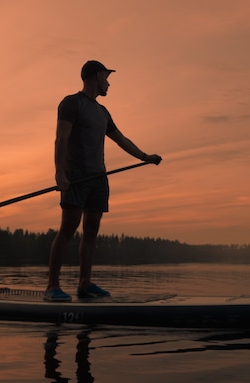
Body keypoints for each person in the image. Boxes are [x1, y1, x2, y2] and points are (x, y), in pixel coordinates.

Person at [44, 60, 162, 302]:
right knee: (68, 228)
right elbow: (61, 139)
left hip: (99, 177)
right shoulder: (71, 103)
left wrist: (144, 157)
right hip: (76, 176)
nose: (109, 83)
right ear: (97, 76)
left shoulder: (103, 112)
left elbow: (121, 139)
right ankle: (51, 286)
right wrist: (60, 173)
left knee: (91, 231)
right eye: (107, 77)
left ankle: (84, 284)